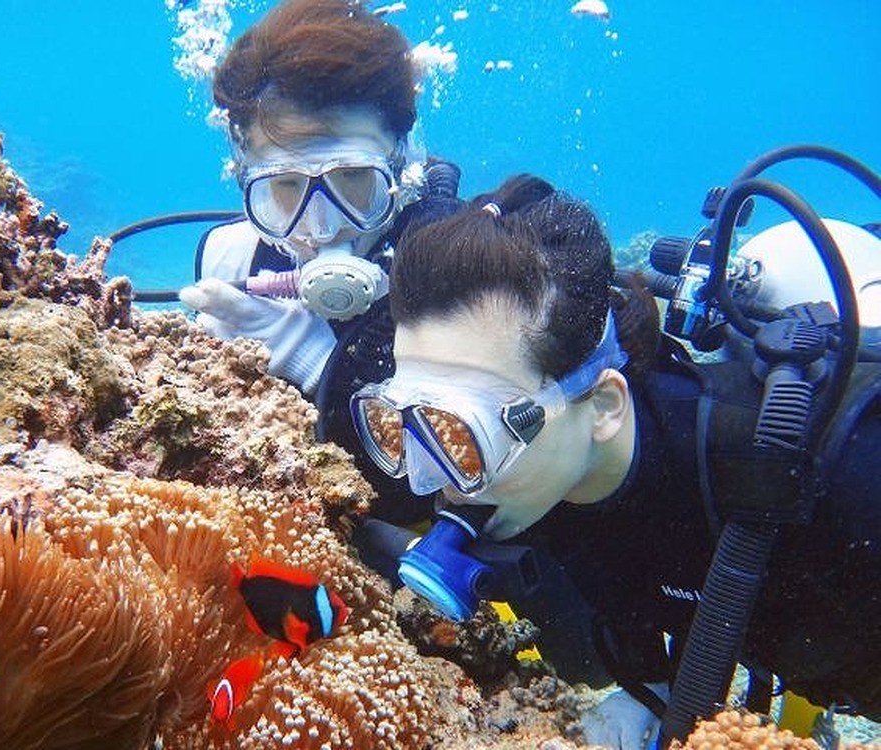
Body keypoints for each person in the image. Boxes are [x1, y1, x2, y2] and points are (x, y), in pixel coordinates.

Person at [348, 174, 881, 747]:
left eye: (465, 433)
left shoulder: (843, 470)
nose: (427, 477)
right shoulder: (545, 492)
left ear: (603, 405)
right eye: (401, 426)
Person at [178, 0, 460, 522]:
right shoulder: (229, 259)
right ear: (244, 175)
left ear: (403, 160)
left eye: (353, 179)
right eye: (285, 186)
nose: (323, 227)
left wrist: (312, 360)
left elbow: (440, 486)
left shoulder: (456, 265)